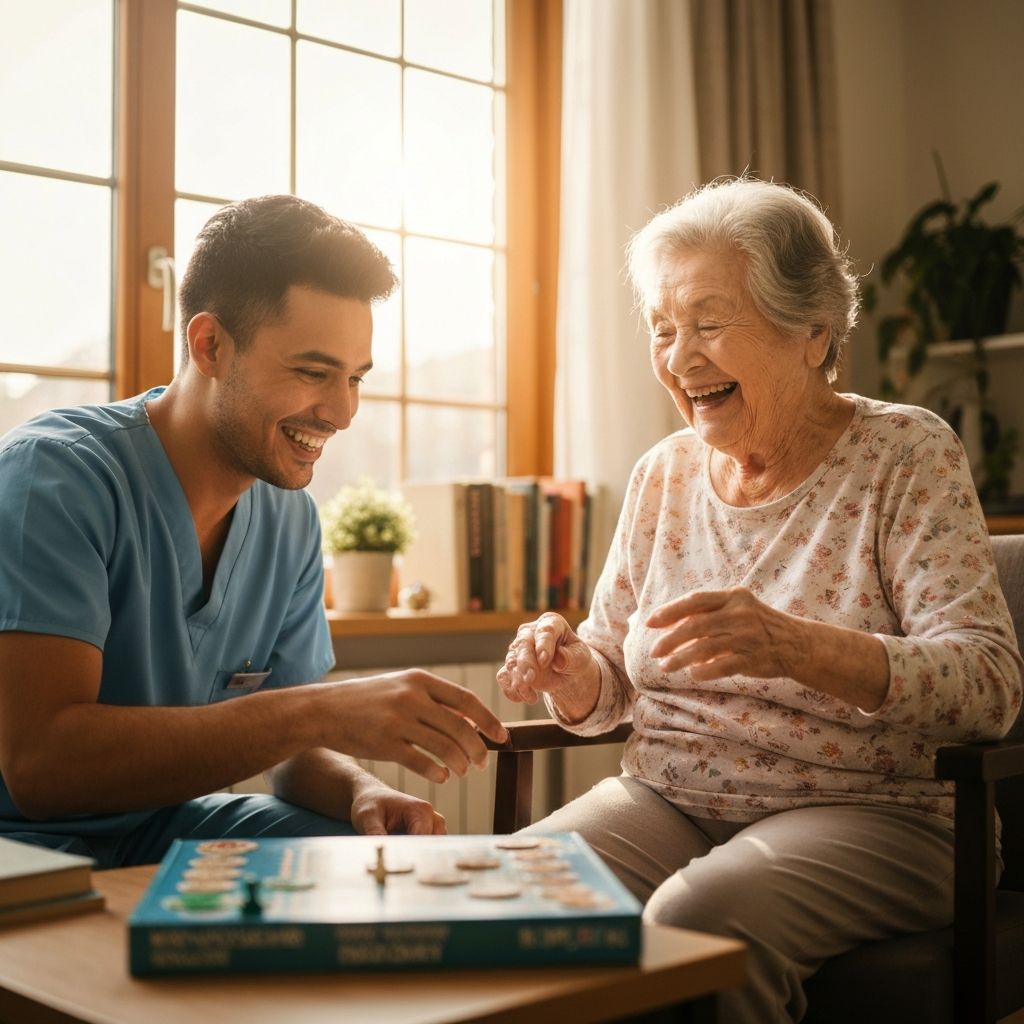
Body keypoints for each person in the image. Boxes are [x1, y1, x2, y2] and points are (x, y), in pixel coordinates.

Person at [497, 178, 1023, 1023]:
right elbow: (613, 684)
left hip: (878, 813)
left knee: (697, 924)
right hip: (670, 798)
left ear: (813, 331)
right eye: (665, 330)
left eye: (708, 324)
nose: (678, 357)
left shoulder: (906, 453)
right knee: (507, 895)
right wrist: (571, 671)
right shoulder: (662, 472)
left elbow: (989, 687)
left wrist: (798, 648)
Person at [0, 194, 507, 869]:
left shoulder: (288, 517)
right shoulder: (56, 478)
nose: (342, 411)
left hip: (157, 829)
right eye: (313, 372)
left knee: (364, 855)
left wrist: (360, 790)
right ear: (209, 344)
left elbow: (293, 750)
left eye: (355, 378)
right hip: (22, 843)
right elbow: (42, 768)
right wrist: (319, 711)